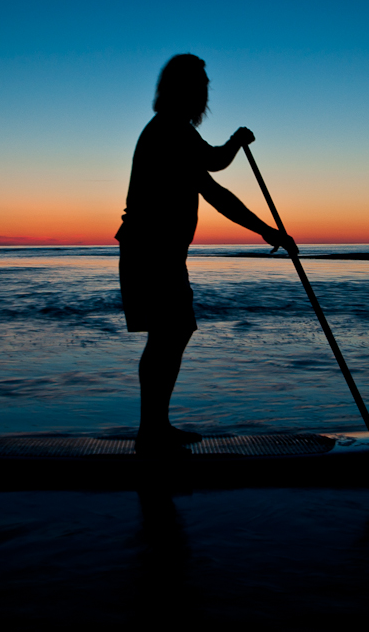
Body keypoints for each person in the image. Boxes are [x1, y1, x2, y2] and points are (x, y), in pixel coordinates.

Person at [116, 54, 297, 455]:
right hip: (151, 252)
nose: (206, 90)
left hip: (157, 252)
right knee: (170, 333)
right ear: (185, 88)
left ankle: (155, 427)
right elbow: (216, 167)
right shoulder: (169, 129)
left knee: (171, 333)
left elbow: (215, 192)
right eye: (201, 83)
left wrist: (267, 231)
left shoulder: (175, 131)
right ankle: (153, 430)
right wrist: (236, 142)